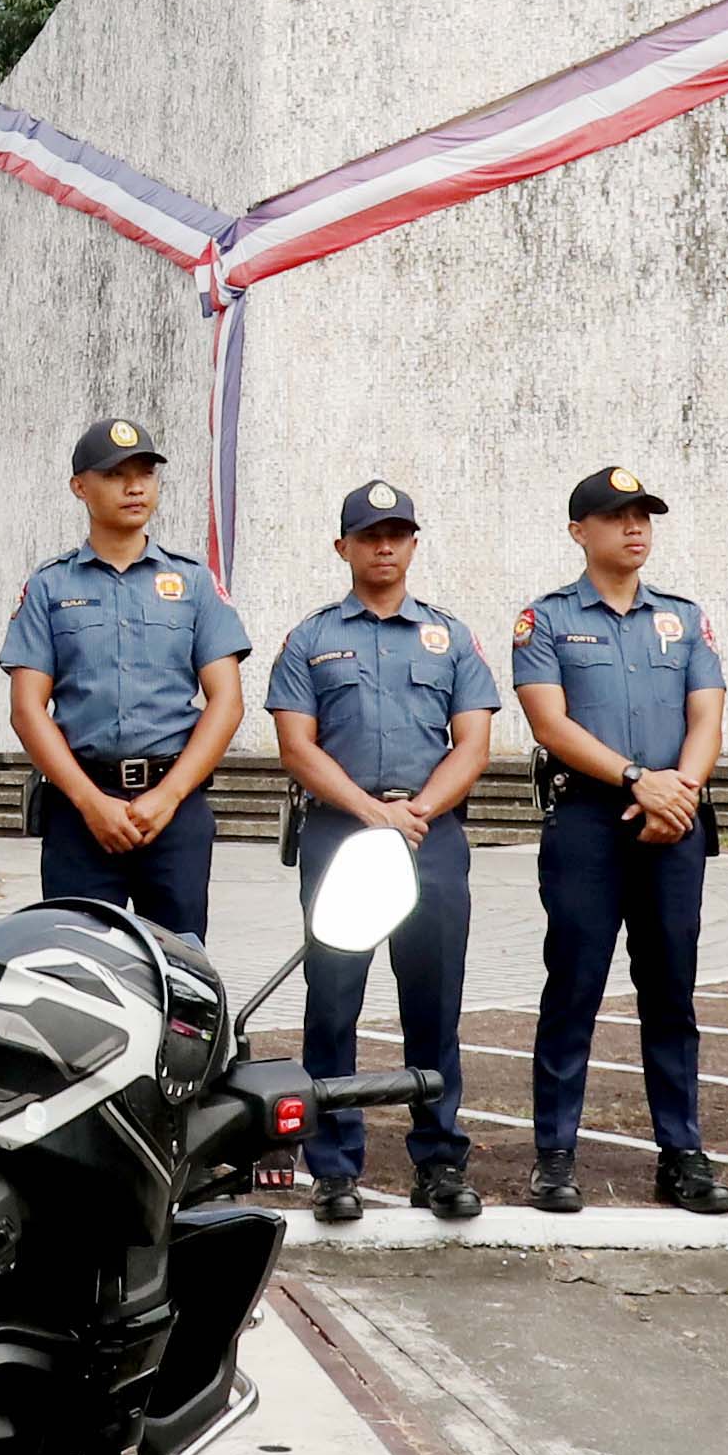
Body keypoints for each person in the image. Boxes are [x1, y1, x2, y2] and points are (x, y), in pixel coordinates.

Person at [264, 481, 495, 1226]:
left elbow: (475, 740)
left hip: (430, 834)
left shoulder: (451, 638)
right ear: (344, 548)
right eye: (369, 535)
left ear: (414, 544)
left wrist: (417, 811)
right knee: (334, 1001)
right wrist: (371, 812)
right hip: (342, 830)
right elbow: (297, 746)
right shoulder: (310, 639)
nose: (384, 546)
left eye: (397, 533)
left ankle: (440, 1159)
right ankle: (334, 1167)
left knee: (434, 1003)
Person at [513, 464, 728, 1215]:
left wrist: (680, 791)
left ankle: (683, 1151)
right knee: (573, 986)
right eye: (617, 517)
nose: (635, 528)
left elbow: (707, 715)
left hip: (673, 822)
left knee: (671, 990)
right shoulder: (545, 621)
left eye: (644, 516)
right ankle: (555, 1152)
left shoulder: (684, 616)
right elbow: (551, 724)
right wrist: (640, 777)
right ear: (581, 532)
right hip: (589, 822)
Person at [0, 418, 247, 931]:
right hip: (80, 810)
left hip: (173, 809)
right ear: (80, 487)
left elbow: (226, 702)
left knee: (181, 973)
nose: (135, 487)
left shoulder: (194, 583)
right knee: (79, 973)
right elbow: (27, 708)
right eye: (115, 475)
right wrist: (91, 802)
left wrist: (170, 795)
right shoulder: (49, 587)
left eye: (145, 473)